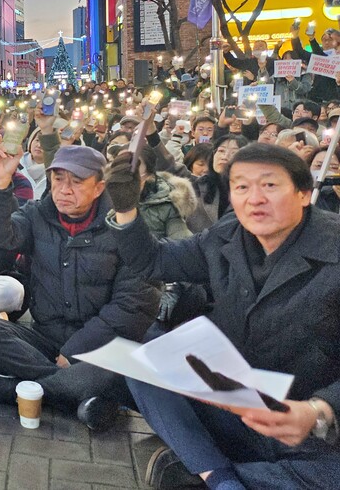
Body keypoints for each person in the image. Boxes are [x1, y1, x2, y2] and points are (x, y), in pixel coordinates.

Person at [105, 144, 340, 490]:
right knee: (144, 363)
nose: (255, 199)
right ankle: (221, 477)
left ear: (304, 193)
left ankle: (199, 471)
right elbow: (154, 261)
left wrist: (319, 410)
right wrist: (126, 209)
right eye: (241, 186)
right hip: (234, 407)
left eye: (269, 185)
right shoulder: (227, 236)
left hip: (309, 431)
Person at [0, 142, 159, 431]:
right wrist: (1, 181)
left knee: (116, 371)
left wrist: (73, 352)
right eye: (58, 179)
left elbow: (133, 306)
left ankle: (15, 390)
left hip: (100, 349)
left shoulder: (126, 228)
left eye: (77, 182)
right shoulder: (38, 214)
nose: (64, 190)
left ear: (99, 187)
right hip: (46, 339)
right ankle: (76, 395)